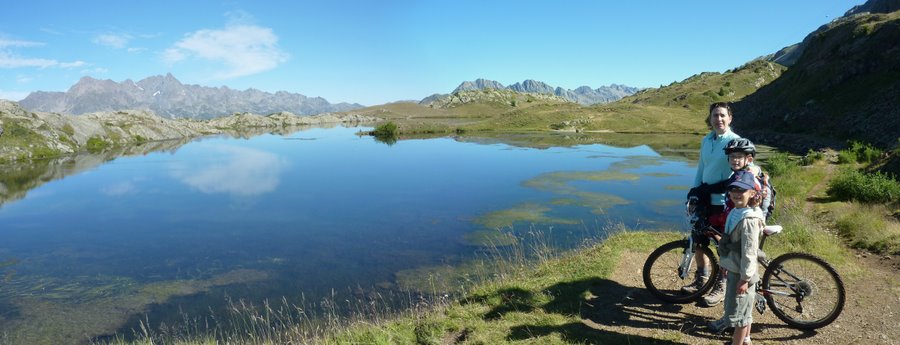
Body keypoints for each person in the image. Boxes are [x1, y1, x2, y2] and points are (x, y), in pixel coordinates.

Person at [699, 137, 773, 307]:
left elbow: (747, 206)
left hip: (750, 223)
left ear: (749, 159)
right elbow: (726, 188)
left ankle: (734, 293)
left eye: (739, 156)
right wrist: (701, 190)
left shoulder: (749, 176)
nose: (735, 160)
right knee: (739, 252)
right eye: (732, 157)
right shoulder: (740, 174)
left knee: (739, 255)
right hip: (747, 220)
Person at [681, 102, 740, 299]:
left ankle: (722, 285)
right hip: (705, 198)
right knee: (698, 239)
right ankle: (701, 278)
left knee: (722, 245)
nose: (719, 119)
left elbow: (743, 171)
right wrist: (695, 193)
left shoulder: (735, 141)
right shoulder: (707, 140)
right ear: (710, 118)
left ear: (730, 118)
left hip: (724, 202)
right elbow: (701, 168)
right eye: (715, 115)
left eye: (723, 115)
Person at [707, 170, 765, 345]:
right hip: (733, 268)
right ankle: (745, 339)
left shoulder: (749, 219)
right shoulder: (734, 212)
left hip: (742, 273)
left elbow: (749, 252)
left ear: (752, 193)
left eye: (742, 190)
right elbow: (729, 242)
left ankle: (737, 343)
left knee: (740, 314)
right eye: (733, 189)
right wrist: (725, 263)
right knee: (743, 308)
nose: (736, 193)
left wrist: (745, 279)